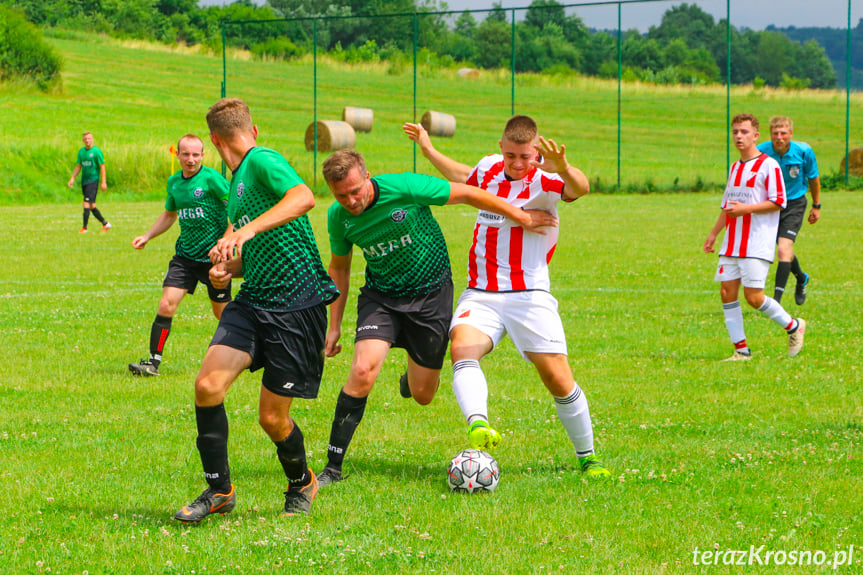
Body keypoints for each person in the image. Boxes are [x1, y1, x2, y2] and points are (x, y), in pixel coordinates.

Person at [316, 149, 558, 488]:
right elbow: (340, 267)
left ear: (367, 177)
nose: (351, 200)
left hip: (431, 297)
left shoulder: (406, 187)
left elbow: (468, 193)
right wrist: (334, 325)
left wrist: (520, 215)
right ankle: (332, 466)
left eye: (356, 190)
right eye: (342, 195)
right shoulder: (337, 217)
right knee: (362, 371)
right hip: (381, 298)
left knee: (423, 394)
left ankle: (409, 375)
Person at [403, 115, 611, 478]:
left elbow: (580, 188)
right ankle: (479, 425)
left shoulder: (546, 179)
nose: (517, 163)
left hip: (529, 296)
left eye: (525, 156)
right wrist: (428, 148)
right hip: (481, 293)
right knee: (462, 349)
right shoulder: (488, 168)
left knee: (558, 379)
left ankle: (588, 456)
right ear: (501, 147)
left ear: (536, 153)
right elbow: (463, 174)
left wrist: (563, 166)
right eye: (511, 155)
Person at [173, 98, 338, 522]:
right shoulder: (237, 186)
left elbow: (303, 197)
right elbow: (261, 248)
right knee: (208, 386)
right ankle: (219, 490)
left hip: (295, 305)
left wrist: (244, 229)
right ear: (253, 127)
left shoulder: (262, 159)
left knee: (271, 418)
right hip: (254, 300)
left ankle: (302, 480)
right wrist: (227, 269)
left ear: (213, 140)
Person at [704, 113, 806, 361]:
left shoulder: (768, 165)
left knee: (753, 297)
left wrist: (745, 209)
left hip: (756, 242)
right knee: (727, 292)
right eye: (736, 132)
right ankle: (741, 351)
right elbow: (728, 206)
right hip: (732, 242)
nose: (739, 136)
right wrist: (714, 233)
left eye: (744, 132)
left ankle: (793, 326)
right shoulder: (735, 167)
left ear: (756, 136)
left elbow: (779, 202)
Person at [128, 134, 232, 377]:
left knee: (222, 314)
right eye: (186, 154)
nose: (191, 159)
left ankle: (246, 351)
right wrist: (147, 236)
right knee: (166, 304)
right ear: (178, 154)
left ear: (203, 156)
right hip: (185, 257)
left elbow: (235, 210)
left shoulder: (212, 179)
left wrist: (225, 242)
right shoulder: (174, 182)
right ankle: (152, 363)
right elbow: (169, 214)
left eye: (196, 154)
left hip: (213, 258)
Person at [756, 116, 821, 305]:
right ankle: (801, 278)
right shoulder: (761, 151)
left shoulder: (804, 151)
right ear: (770, 135)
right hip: (771, 204)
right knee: (784, 249)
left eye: (783, 133)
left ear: (791, 134)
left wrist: (816, 206)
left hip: (794, 203)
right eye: (775, 133)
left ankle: (775, 302)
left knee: (784, 249)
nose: (779, 137)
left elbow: (813, 179)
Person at [68, 131, 111, 233]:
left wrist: (103, 182)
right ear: (83, 140)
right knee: (91, 206)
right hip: (85, 181)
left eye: (89, 138)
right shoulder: (81, 152)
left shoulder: (96, 152)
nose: (87, 140)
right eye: (85, 139)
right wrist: (72, 178)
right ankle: (105, 224)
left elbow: (102, 167)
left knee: (86, 203)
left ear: (92, 139)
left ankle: (84, 228)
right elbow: (79, 165)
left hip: (93, 180)